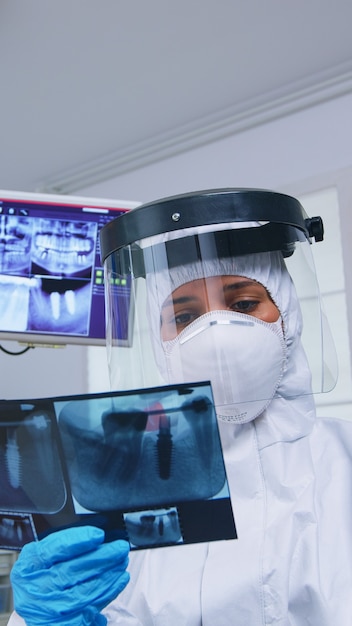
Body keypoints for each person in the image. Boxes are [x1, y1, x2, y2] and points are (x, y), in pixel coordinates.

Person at [8, 189, 352, 625]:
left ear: (287, 315)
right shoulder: (119, 490)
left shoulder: (344, 464)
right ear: (160, 342)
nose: (218, 335)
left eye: (244, 304)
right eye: (185, 317)